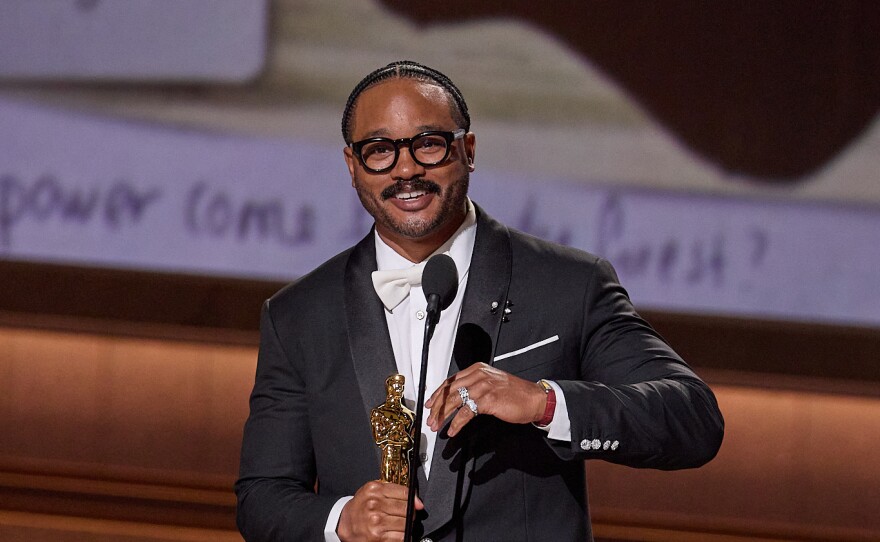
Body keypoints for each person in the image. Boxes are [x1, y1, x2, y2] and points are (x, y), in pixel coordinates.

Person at [235, 60, 724, 542]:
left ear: (467, 150)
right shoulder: (297, 314)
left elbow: (693, 419)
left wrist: (544, 402)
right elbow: (263, 498)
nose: (406, 169)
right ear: (353, 165)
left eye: (428, 144)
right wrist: (342, 518)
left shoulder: (568, 284)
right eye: (380, 150)